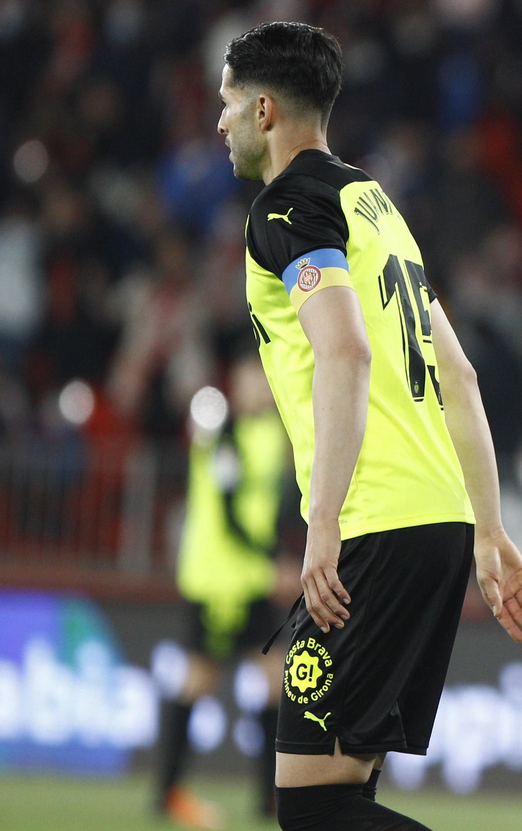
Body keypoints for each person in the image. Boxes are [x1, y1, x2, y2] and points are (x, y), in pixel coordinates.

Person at [215, 21, 522, 831]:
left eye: (225, 104)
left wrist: (323, 520)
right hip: (436, 520)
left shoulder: (287, 207)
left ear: (264, 110)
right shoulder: (373, 204)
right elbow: (458, 374)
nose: (219, 123)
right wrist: (487, 528)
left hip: (374, 522)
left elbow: (346, 352)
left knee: (312, 810)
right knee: (345, 789)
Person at [154, 353, 292, 829]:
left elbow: (276, 505)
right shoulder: (223, 435)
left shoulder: (273, 434)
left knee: (275, 678)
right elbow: (231, 514)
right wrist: (274, 559)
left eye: (262, 380)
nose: (256, 389)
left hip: (251, 581)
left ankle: (270, 797)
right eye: (248, 380)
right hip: (218, 580)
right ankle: (168, 791)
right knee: (200, 679)